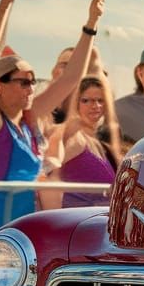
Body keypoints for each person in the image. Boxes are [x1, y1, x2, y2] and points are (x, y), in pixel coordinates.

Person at [0, 0, 104, 286]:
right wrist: (4, 6)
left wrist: (90, 25)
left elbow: (70, 79)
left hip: (20, 246)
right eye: (23, 80)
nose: (32, 87)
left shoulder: (30, 126)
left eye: (34, 80)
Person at [43, 75, 122, 208]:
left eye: (100, 100)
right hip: (74, 222)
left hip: (102, 222)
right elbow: (47, 175)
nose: (95, 106)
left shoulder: (101, 145)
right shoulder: (70, 136)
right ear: (74, 103)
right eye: (86, 100)